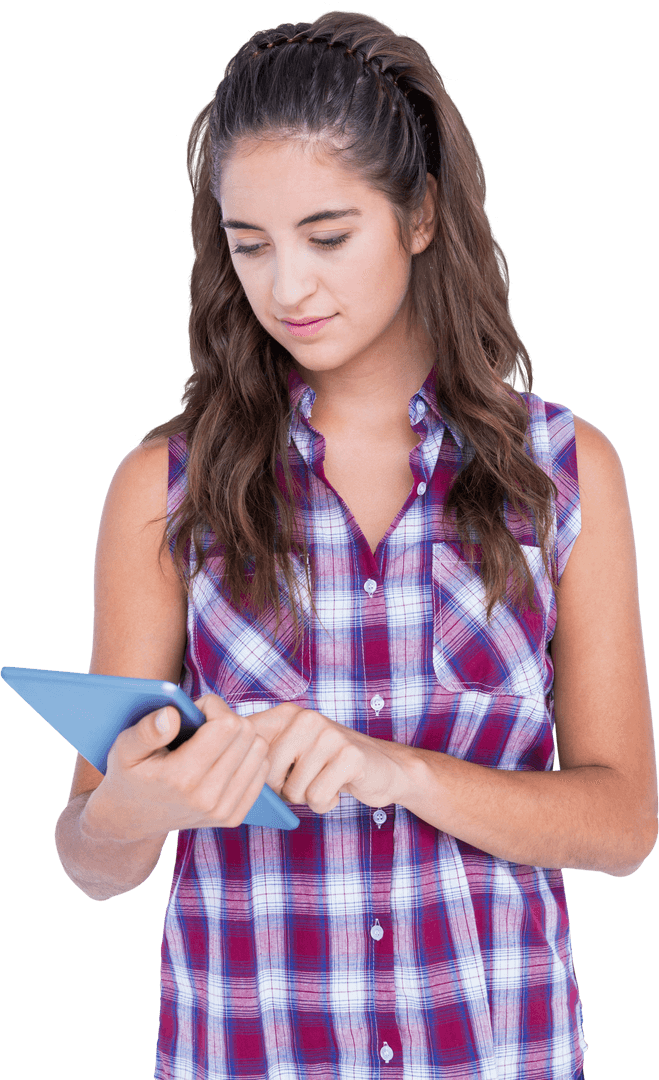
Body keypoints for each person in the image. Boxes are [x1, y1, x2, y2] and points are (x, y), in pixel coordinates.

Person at [54, 10, 657, 1080]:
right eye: (251, 246)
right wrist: (134, 807)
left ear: (419, 214)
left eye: (327, 236)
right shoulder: (163, 489)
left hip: (498, 1055)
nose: (287, 287)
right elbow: (92, 859)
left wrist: (398, 771)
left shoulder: (567, 472)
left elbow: (620, 824)